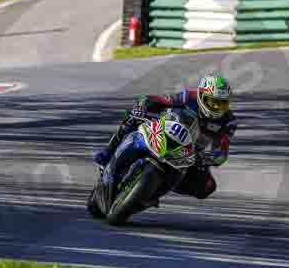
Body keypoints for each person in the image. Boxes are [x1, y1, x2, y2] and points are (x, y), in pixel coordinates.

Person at [94, 73, 237, 203]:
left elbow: (222, 150)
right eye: (212, 102)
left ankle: (153, 191)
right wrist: (142, 106)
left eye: (221, 104)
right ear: (201, 95)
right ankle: (108, 152)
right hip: (165, 131)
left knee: (207, 187)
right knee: (132, 119)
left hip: (189, 153)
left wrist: (210, 159)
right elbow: (160, 100)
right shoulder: (189, 97)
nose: (216, 107)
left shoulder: (228, 122)